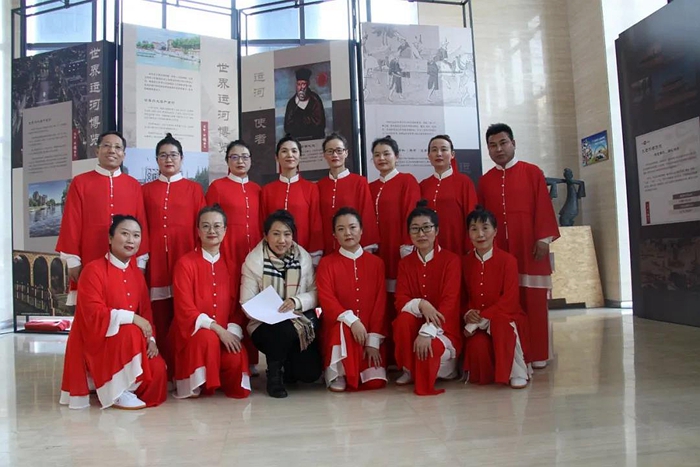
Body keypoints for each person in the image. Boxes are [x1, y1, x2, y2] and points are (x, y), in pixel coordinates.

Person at [60, 215, 167, 410]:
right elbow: (93, 314)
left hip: (129, 344)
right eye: (125, 234)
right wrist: (132, 318)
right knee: (131, 332)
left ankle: (125, 385)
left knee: (158, 370)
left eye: (136, 235)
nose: (130, 240)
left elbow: (146, 312)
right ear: (110, 238)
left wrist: (151, 340)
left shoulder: (137, 275)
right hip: (99, 341)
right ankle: (116, 390)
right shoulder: (93, 270)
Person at [478, 123, 560, 368]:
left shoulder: (532, 172)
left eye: (503, 143)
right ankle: (514, 354)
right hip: (500, 250)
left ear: (513, 143)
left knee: (533, 302)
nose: (498, 149)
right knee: (506, 301)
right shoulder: (485, 181)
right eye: (493, 145)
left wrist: (543, 239)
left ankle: (538, 354)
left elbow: (543, 206)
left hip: (530, 248)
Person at [56, 131, 149, 306]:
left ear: (124, 154)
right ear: (97, 151)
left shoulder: (134, 185)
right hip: (90, 255)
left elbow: (141, 223)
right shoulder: (80, 182)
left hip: (125, 260)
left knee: (124, 305)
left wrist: (141, 262)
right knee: (92, 307)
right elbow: (71, 222)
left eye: (117, 147)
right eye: (106, 145)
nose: (112, 150)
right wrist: (72, 260)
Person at [171, 205, 251, 399]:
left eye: (217, 226)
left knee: (235, 356)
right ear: (198, 231)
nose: (211, 231)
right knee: (207, 338)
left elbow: (237, 307)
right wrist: (218, 330)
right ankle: (197, 383)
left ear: (225, 230)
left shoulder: (232, 266)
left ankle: (218, 378)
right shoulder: (185, 264)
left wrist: (231, 332)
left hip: (224, 333)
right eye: (205, 226)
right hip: (193, 335)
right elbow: (185, 308)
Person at [142, 133, 205, 379]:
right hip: (156, 260)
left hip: (185, 257)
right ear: (156, 159)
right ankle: (159, 366)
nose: (169, 159)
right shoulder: (145, 191)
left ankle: (184, 367)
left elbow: (202, 227)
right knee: (158, 312)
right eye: (163, 155)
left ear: (182, 158)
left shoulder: (194, 189)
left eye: (173, 155)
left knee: (184, 311)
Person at [240, 210, 322, 398]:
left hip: (298, 320)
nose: (282, 240)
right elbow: (246, 302)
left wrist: (296, 301)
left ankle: (288, 364)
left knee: (309, 374)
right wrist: (271, 313)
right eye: (276, 234)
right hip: (264, 325)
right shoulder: (254, 262)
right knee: (281, 328)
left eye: (287, 234)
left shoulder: (303, 258)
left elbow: (316, 293)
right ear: (265, 236)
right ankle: (274, 374)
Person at [205, 140, 263, 374]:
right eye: (235, 157)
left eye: (245, 157)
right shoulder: (218, 187)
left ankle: (251, 358)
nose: (240, 161)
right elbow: (208, 222)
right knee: (230, 302)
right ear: (227, 161)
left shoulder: (257, 189)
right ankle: (226, 357)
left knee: (253, 302)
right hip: (228, 255)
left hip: (253, 255)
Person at [393, 201, 461, 395]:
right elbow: (400, 300)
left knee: (431, 354)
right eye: (415, 229)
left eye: (426, 228)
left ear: (436, 230)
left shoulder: (451, 260)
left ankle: (444, 369)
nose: (421, 234)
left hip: (443, 328)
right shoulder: (405, 263)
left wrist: (428, 330)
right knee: (403, 320)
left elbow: (450, 302)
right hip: (415, 324)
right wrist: (421, 304)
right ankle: (408, 369)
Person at [316, 208, 387, 392]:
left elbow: (380, 303)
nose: (347, 233)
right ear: (334, 234)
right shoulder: (326, 263)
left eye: (352, 227)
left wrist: (373, 341)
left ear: (361, 230)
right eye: (341, 229)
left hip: (368, 334)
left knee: (375, 383)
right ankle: (338, 373)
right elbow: (327, 299)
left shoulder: (376, 264)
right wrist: (352, 321)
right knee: (343, 328)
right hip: (339, 332)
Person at [462, 206, 530, 389]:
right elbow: (462, 297)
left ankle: (518, 372)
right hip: (477, 320)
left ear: (495, 231)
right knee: (477, 345)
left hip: (507, 316)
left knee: (500, 323)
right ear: (468, 234)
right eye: (474, 229)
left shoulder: (508, 261)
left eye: (485, 228)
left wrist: (480, 319)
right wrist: (467, 313)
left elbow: (510, 300)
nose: (480, 234)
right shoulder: (465, 262)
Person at [368, 136, 421, 359]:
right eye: (377, 155)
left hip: (398, 251)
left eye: (386, 154)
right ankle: (385, 354)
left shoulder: (407, 181)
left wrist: (407, 245)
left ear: (397, 156)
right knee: (380, 303)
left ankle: (404, 357)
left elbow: (411, 214)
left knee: (401, 300)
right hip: (377, 253)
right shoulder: (370, 187)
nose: (381, 158)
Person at [261, 135, 323, 263]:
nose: (290, 155)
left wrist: (314, 256)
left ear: (300, 156)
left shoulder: (311, 188)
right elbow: (263, 223)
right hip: (272, 256)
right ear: (276, 157)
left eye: (294, 151)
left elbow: (315, 223)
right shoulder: (267, 190)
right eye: (284, 151)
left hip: (303, 255)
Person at [317, 133, 379, 255]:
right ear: (324, 155)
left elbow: (367, 214)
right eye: (330, 151)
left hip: (354, 247)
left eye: (339, 151)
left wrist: (367, 246)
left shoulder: (359, 182)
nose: (335, 155)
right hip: (328, 247)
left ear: (346, 153)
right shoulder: (319, 185)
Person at [419, 134, 477, 256]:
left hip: (456, 244)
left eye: (444, 149)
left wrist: (471, 246)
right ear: (429, 156)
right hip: (428, 246)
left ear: (452, 154)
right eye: (434, 150)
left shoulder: (464, 182)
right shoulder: (423, 184)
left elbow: (472, 216)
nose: (439, 154)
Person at [283, 67, 326, 140]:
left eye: (303, 84)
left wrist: (299, 120)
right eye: (299, 84)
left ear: (308, 84)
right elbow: (287, 127)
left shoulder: (315, 100)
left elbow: (319, 123)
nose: (301, 88)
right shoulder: (291, 103)